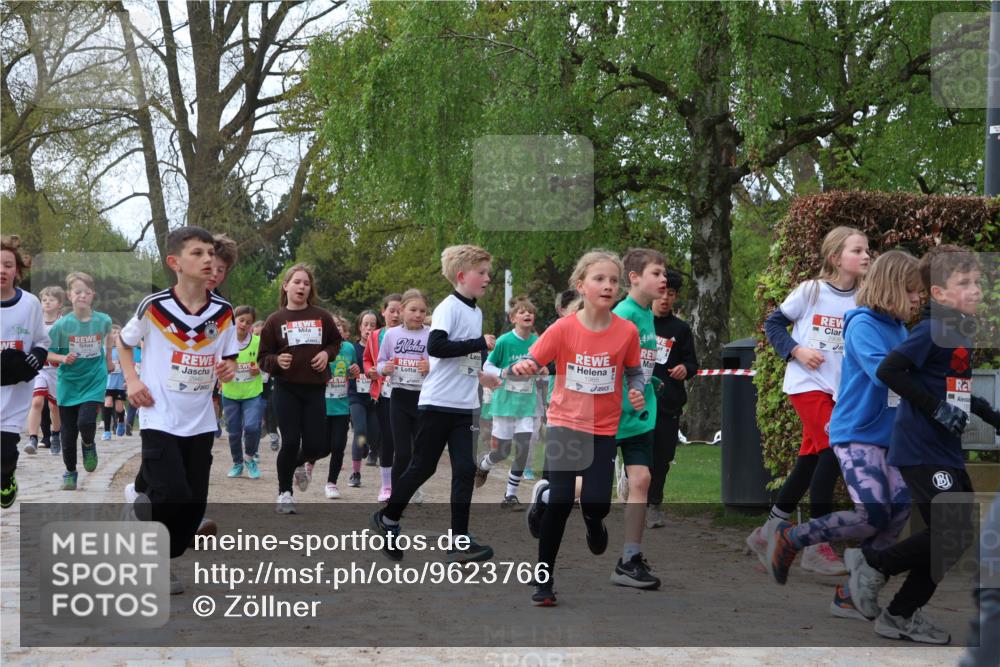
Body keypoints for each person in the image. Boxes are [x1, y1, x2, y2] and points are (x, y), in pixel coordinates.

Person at [852, 245, 1000, 644]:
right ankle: (873, 564)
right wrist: (935, 409)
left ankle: (900, 614)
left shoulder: (958, 333)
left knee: (952, 538)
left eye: (977, 282)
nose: (975, 290)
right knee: (950, 532)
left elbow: (956, 391)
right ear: (938, 293)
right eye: (964, 283)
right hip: (920, 448)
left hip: (944, 450)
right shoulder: (931, 331)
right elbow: (889, 370)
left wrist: (993, 418)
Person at [766, 251, 920, 622]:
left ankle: (851, 594)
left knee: (899, 510)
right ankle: (792, 537)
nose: (919, 298)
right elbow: (884, 373)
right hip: (857, 434)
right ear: (892, 287)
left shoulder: (899, 328)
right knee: (873, 513)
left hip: (891, 436)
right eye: (912, 290)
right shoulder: (863, 324)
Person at [516, 249, 645, 606]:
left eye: (613, 280)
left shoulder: (627, 331)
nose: (608, 286)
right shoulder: (564, 329)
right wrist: (525, 366)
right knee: (560, 500)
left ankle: (593, 519)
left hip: (603, 428)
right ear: (581, 285)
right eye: (599, 279)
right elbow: (534, 359)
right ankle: (544, 579)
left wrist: (636, 389)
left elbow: (634, 370)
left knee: (597, 503)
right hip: (566, 424)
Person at [118, 226, 238, 594]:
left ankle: (144, 512)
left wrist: (228, 369)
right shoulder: (154, 306)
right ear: (175, 263)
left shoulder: (223, 312)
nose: (208, 260)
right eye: (198, 253)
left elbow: (229, 358)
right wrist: (132, 381)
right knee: (172, 492)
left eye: (210, 253)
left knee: (193, 505)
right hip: (159, 414)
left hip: (200, 419)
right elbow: (124, 343)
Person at [746, 226, 870, 576]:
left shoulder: (863, 298)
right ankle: (817, 545)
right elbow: (773, 325)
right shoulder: (811, 291)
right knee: (834, 449)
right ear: (835, 257)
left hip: (839, 392)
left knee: (809, 461)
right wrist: (796, 351)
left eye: (867, 250)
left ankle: (767, 533)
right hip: (807, 384)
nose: (866, 256)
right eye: (857, 250)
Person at [369, 245, 496, 564]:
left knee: (465, 469)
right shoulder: (447, 308)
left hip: (465, 404)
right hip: (437, 402)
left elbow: (465, 356)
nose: (487, 278)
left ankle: (459, 542)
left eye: (488, 273)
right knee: (422, 466)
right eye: (481, 273)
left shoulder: (476, 312)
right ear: (461, 276)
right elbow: (437, 347)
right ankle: (388, 518)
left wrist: (482, 371)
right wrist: (479, 343)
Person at [258, 263, 341, 515]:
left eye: (306, 283)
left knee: (318, 445)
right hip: (286, 389)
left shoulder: (322, 316)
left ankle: (296, 464)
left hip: (314, 389)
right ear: (285, 286)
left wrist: (326, 354)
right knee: (291, 441)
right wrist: (276, 361)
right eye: (297, 282)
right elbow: (263, 358)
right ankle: (285, 492)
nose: (302, 286)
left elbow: (335, 342)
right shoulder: (275, 320)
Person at [609, 248, 668, 589]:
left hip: (641, 416)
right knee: (589, 486)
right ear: (634, 277)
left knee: (641, 480)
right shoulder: (624, 314)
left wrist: (650, 381)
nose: (664, 280)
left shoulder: (647, 314)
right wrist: (627, 391)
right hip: (611, 415)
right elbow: (608, 362)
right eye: (656, 273)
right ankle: (548, 494)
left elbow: (638, 362)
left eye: (664, 274)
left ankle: (629, 559)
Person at [47, 272, 114, 490]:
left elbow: (109, 338)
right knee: (68, 433)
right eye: (77, 292)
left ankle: (88, 443)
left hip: (94, 378)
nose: (82, 296)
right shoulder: (62, 326)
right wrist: (63, 358)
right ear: (69, 295)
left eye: (86, 292)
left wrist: (109, 359)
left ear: (93, 295)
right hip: (69, 382)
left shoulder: (103, 320)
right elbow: (48, 353)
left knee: (85, 422)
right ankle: (70, 472)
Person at [477, 296, 542, 510]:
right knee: (502, 452)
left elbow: (543, 366)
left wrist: (542, 370)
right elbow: (487, 366)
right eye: (522, 312)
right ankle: (484, 464)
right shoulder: (505, 341)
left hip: (526, 405)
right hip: (505, 403)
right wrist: (503, 372)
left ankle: (510, 496)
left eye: (530, 312)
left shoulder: (537, 342)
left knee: (523, 449)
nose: (527, 314)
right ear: (513, 318)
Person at [646, 269, 699, 529]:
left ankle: (654, 504)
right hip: (638, 401)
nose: (665, 298)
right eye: (661, 293)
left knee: (662, 456)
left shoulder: (681, 329)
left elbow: (692, 363)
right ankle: (636, 491)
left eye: (671, 293)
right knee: (640, 454)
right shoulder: (637, 323)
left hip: (668, 402)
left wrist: (684, 369)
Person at [0, 235, 50, 508]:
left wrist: (37, 357)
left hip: (15, 394)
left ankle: (6, 476)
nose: (2, 271)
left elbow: (42, 341)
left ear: (17, 270)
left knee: (6, 454)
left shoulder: (30, 304)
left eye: (8, 265)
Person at [376, 289, 430, 495]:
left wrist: (430, 367)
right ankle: (396, 495)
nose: (418, 315)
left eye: (422, 311)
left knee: (420, 452)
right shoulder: (392, 334)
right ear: (402, 310)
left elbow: (439, 364)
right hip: (399, 396)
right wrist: (385, 368)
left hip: (423, 398)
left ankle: (412, 487)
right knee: (402, 452)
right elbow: (380, 363)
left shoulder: (430, 334)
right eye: (413, 310)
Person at [363, 293, 402, 497]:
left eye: (399, 311)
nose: (395, 315)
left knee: (407, 442)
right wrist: (371, 370)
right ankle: (386, 486)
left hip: (408, 393)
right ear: (383, 311)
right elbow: (367, 359)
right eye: (392, 311)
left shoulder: (414, 334)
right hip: (383, 394)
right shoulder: (375, 336)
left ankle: (406, 483)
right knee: (387, 439)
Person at [221, 305, 265, 480]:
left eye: (248, 322)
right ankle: (237, 463)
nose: (244, 324)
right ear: (234, 320)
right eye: (241, 320)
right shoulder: (224, 341)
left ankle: (249, 457)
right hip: (230, 393)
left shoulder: (257, 341)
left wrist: (259, 368)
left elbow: (266, 361)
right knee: (233, 432)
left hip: (252, 392)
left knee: (252, 427)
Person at [321, 315, 361, 499]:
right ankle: (306, 463)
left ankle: (332, 483)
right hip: (321, 406)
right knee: (320, 446)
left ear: (344, 331)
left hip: (342, 406)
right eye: (332, 325)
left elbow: (352, 371)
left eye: (339, 325)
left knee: (338, 446)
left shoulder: (349, 348)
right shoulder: (318, 348)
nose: (336, 328)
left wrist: (354, 371)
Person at [25, 285, 64, 455]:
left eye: (51, 300)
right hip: (39, 368)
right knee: (36, 402)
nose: (47, 302)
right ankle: (33, 438)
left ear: (60, 304)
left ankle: (55, 434)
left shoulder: (64, 324)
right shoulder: (35, 322)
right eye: (44, 300)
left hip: (57, 370)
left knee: (54, 407)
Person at [347, 310, 379, 488]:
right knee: (359, 431)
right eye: (365, 324)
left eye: (373, 325)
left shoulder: (381, 348)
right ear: (359, 327)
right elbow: (343, 367)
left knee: (375, 436)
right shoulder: (353, 349)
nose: (369, 328)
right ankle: (356, 473)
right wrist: (350, 370)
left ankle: (366, 444)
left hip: (375, 398)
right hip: (356, 397)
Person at [102, 324, 127, 439]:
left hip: (120, 384)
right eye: (114, 333)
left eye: (118, 333)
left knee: (119, 408)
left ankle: (121, 421)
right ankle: (107, 431)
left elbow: (127, 366)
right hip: (107, 383)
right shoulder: (104, 350)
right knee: (107, 404)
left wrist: (127, 380)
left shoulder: (123, 350)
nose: (116, 335)